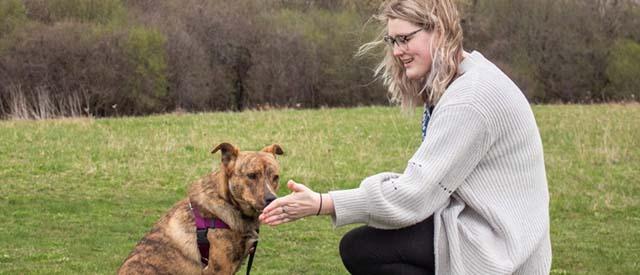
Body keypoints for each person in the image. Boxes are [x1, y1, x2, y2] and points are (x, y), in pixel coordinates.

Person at [259, 0, 552, 274]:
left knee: (362, 249)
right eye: (392, 41)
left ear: (438, 30)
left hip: (500, 247)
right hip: (494, 231)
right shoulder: (466, 78)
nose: (397, 51)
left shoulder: (469, 99)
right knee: (364, 246)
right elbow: (426, 185)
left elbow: (413, 196)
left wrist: (323, 203)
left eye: (405, 38)